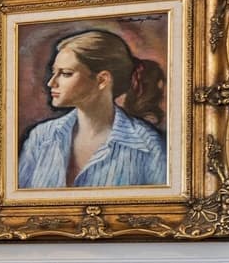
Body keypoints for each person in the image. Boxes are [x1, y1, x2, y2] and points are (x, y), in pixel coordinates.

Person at [15, 26, 167, 188]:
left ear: (102, 80)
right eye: (54, 72)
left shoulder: (148, 145)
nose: (51, 83)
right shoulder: (41, 137)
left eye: (66, 73)